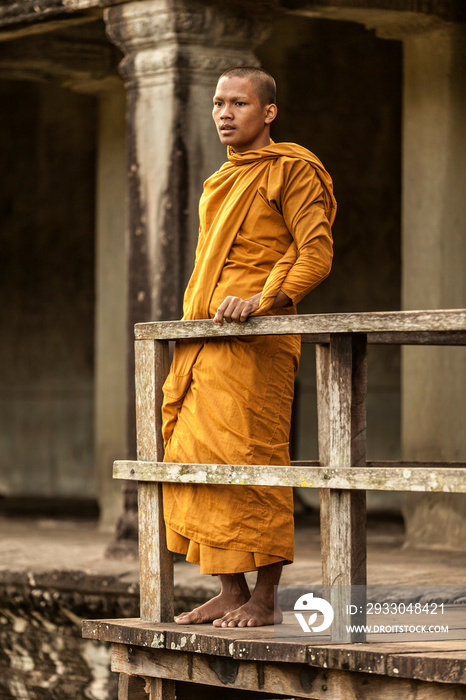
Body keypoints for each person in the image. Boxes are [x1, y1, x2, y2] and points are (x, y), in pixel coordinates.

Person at [161, 66, 336, 628]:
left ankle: (265, 599)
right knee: (199, 459)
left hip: (257, 341)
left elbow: (315, 252)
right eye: (218, 103)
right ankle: (230, 591)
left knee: (254, 462)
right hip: (206, 342)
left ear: (269, 112)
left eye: (239, 102)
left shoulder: (293, 169)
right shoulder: (220, 182)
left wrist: (262, 301)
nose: (224, 113)